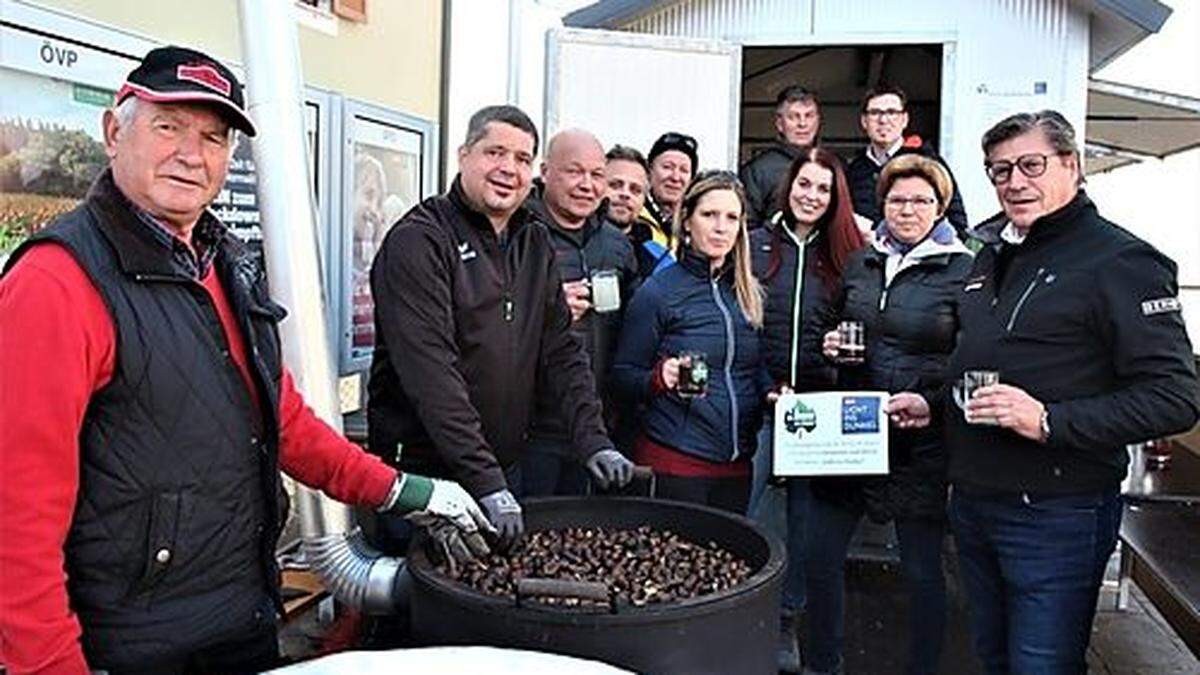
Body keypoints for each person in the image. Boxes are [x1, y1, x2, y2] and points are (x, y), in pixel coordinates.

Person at [0, 46, 491, 674]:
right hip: (129, 647)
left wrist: (409, 492)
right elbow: (18, 522)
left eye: (213, 137)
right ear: (113, 132)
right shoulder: (58, 282)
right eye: (167, 126)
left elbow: (281, 418)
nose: (191, 153)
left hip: (240, 620)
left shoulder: (221, 263)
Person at [888, 110, 1199, 674]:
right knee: (992, 657)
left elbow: (1175, 396)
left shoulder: (1122, 261)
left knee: (1042, 666)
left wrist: (1050, 421)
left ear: (1072, 166)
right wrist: (932, 406)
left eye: (1031, 165)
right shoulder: (991, 257)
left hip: (1056, 512)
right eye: (999, 170)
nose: (1014, 181)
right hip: (976, 500)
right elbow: (979, 367)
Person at [367, 106, 634, 551]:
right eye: (495, 152)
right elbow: (432, 375)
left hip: (502, 469)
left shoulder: (532, 241)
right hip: (423, 475)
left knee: (489, 609)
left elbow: (561, 351)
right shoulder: (419, 241)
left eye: (522, 158)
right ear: (464, 155)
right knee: (417, 607)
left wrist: (593, 440)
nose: (508, 169)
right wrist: (485, 480)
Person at [806, 155, 973, 675]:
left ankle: (922, 667)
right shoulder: (862, 261)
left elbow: (973, 356)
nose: (907, 209)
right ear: (882, 204)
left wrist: (933, 402)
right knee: (822, 557)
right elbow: (828, 324)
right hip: (855, 430)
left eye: (921, 200)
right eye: (897, 199)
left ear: (940, 207)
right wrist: (831, 344)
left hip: (919, 440)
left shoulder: (964, 269)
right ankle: (823, 662)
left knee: (923, 568)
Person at [749, 147, 866, 672]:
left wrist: (839, 353)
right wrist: (763, 386)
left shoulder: (850, 254)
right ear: (788, 185)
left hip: (820, 413)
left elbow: (867, 333)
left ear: (835, 196)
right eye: (804, 184)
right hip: (763, 403)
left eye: (823, 188)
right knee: (755, 518)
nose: (811, 196)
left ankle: (788, 623)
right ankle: (750, 620)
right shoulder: (754, 245)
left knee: (808, 528)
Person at [612, 171, 767, 513]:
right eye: (709, 215)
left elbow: (752, 370)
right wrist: (658, 378)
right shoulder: (658, 291)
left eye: (731, 218)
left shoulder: (748, 293)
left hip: (737, 467)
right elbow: (622, 375)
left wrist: (773, 391)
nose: (720, 227)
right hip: (676, 464)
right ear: (687, 222)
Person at [522, 129, 639, 496]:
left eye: (596, 175)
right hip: (531, 429)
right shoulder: (517, 235)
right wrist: (546, 314)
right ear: (545, 172)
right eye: (574, 172)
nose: (587, 185)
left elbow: (630, 331)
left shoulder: (617, 245)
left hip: (598, 424)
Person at [846, 85, 969, 238]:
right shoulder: (851, 170)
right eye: (875, 113)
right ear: (864, 121)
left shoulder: (929, 163)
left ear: (904, 120)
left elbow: (957, 222)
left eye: (892, 112)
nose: (883, 120)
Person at [740, 86, 821, 229]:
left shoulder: (836, 165)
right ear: (779, 124)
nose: (802, 124)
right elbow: (747, 226)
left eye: (808, 116)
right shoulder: (758, 170)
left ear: (818, 121)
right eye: (793, 117)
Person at [629, 131, 697, 281]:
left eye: (684, 170)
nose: (675, 177)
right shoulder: (631, 219)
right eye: (667, 167)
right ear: (649, 172)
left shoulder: (695, 225)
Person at [602, 144, 650, 236]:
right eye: (615, 185)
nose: (625, 194)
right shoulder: (569, 243)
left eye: (635, 190)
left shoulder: (653, 249)